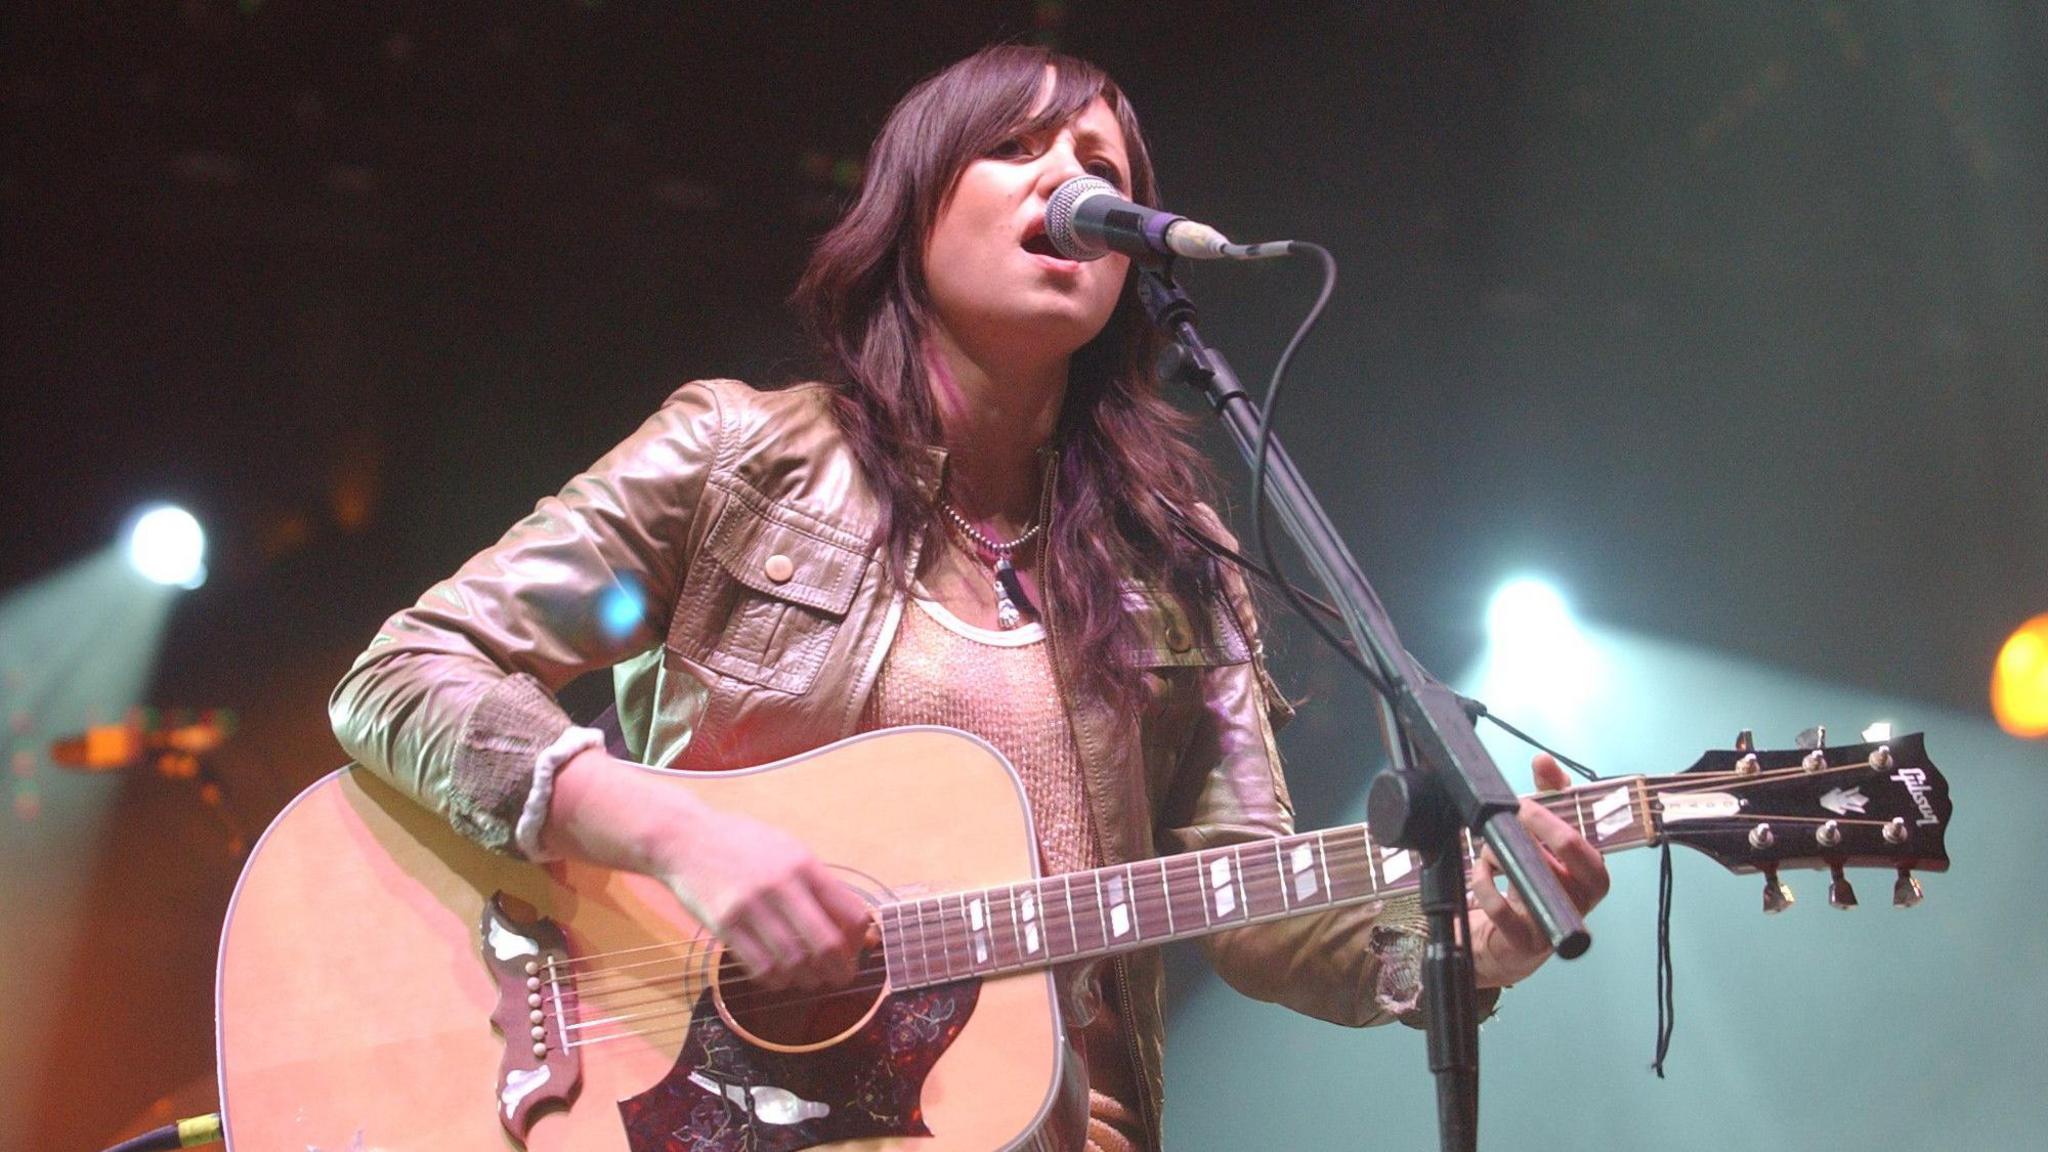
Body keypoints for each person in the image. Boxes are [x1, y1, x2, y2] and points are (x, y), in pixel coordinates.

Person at [330, 43, 1608, 1152]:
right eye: (1011, 147)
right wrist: (677, 832)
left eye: (1100, 160)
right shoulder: (737, 458)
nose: (1069, 180)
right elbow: (403, 676)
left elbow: (1257, 903)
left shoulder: (1175, 553)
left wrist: (1473, 930)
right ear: (909, 210)